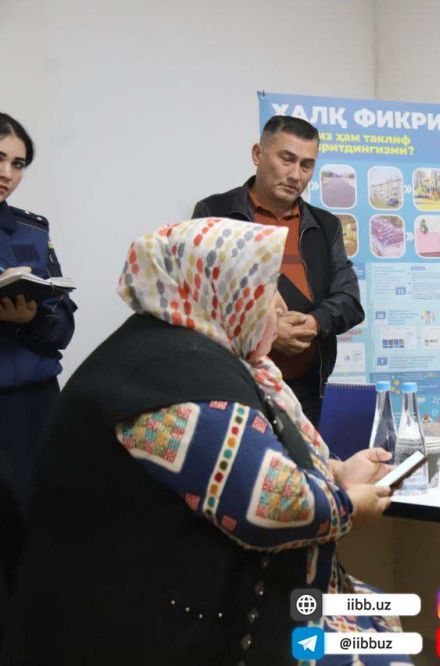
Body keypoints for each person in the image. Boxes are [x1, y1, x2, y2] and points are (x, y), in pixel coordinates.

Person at [1, 219, 403, 666]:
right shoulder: (172, 380)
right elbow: (272, 504)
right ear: (222, 289)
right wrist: (351, 504)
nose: (280, 306)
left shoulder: (203, 355)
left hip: (199, 600)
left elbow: (264, 458)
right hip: (137, 630)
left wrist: (337, 472)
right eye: (266, 288)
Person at [193, 116, 364, 424]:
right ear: (258, 154)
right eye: (287, 160)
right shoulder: (214, 213)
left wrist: (315, 322)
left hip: (307, 396)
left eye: (306, 165)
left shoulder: (325, 225)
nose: (295, 175)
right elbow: (200, 303)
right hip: (236, 390)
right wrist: (266, 332)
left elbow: (349, 300)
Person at [0, 113, 76, 518]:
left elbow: (63, 323)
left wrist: (30, 320)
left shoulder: (31, 230)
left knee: (41, 524)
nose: (7, 174)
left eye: (18, 164)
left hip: (34, 404)